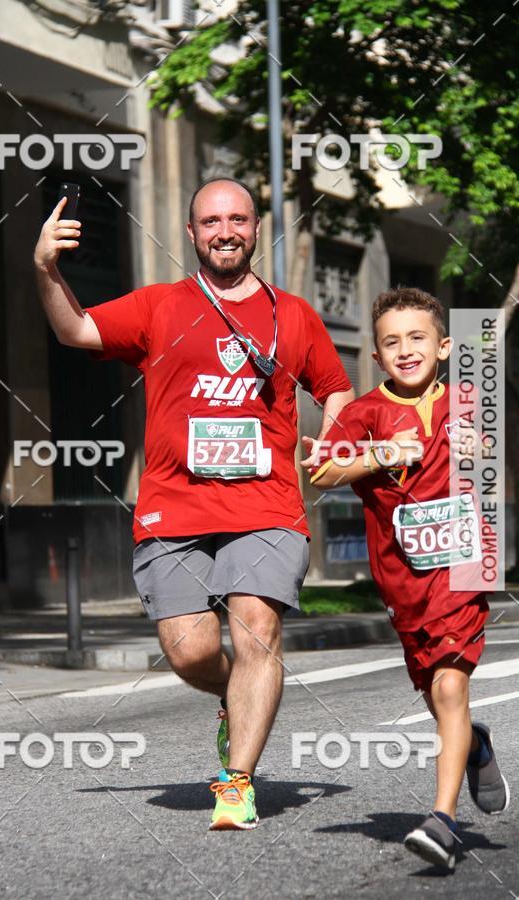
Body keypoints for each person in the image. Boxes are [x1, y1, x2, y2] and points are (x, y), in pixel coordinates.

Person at [34, 176, 354, 830]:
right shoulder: (159, 306)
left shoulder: (291, 314)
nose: (226, 231)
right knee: (188, 652)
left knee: (256, 631)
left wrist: (337, 442)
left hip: (267, 507)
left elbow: (337, 390)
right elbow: (75, 329)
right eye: (211, 221)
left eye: (238, 218)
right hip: (172, 509)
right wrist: (43, 267)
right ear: (191, 233)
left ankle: (235, 783)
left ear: (257, 227)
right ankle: (238, 698)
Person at [307, 287, 509, 869]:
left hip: (463, 565)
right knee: (432, 690)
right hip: (401, 576)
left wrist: (480, 447)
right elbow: (322, 471)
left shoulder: (471, 400)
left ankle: (442, 822)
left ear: (445, 346)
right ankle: (474, 744)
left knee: (450, 687)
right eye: (391, 342)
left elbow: (489, 465)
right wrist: (378, 454)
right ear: (375, 356)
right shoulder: (364, 412)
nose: (406, 349)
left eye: (418, 338)